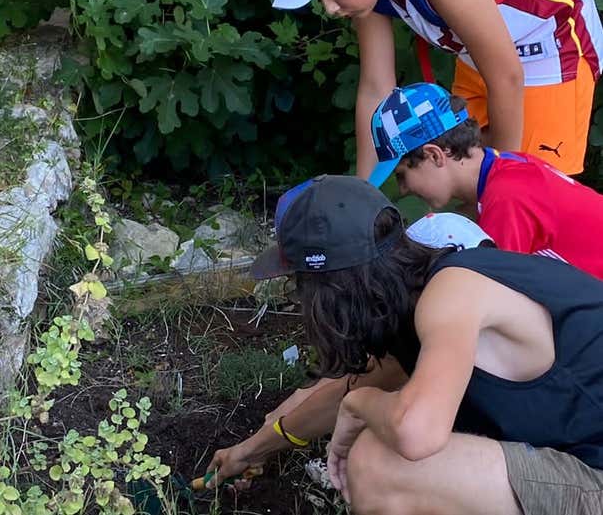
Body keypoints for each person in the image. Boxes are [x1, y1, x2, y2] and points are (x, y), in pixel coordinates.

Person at [206, 175, 603, 515]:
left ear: (329, 290)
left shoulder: (453, 293)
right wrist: (250, 451)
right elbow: (339, 395)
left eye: (301, 286)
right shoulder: (415, 308)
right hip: (580, 461)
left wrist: (358, 407)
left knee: (378, 464)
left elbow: (416, 433)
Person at [208, 212, 494, 489]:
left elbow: (356, 397)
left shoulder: (433, 313)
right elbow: (351, 377)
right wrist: (268, 431)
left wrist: (255, 449)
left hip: (524, 460)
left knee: (369, 462)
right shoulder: (433, 279)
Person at [272, 0, 603, 177]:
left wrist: (504, 184)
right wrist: (365, 193)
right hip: (480, 56)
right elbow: (376, 88)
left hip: (550, 47)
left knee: (529, 190)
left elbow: (508, 77)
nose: (329, 7)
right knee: (462, 178)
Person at [368, 81, 603, 279]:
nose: (403, 189)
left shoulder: (506, 198)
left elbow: (499, 295)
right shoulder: (510, 165)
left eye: (402, 175)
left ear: (434, 155)